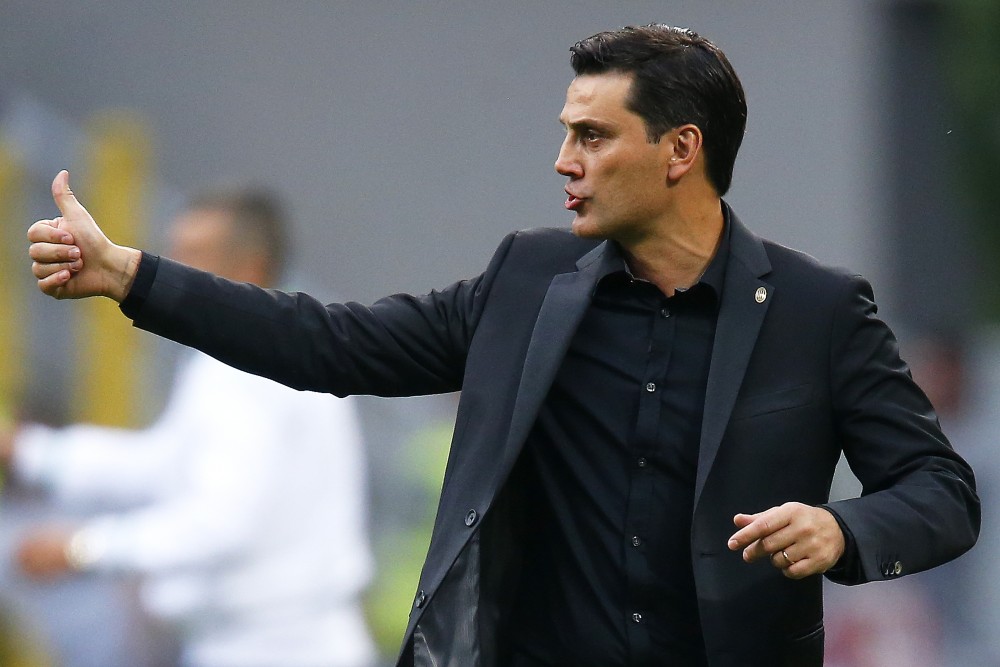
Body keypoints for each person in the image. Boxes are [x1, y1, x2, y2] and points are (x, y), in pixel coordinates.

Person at [23, 24, 979, 667]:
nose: (564, 162)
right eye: (567, 134)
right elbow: (331, 343)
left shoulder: (816, 310)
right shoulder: (526, 282)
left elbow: (942, 491)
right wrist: (136, 279)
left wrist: (845, 530)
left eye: (593, 137)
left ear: (680, 151)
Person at [7, 188, 377, 667]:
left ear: (252, 268)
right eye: (172, 252)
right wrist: (30, 452)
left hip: (270, 650)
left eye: (194, 255)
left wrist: (83, 550)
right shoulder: (245, 356)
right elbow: (168, 465)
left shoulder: (250, 368)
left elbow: (220, 523)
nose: (170, 269)